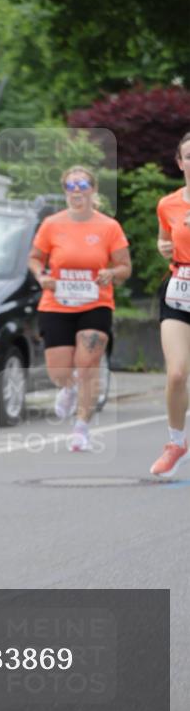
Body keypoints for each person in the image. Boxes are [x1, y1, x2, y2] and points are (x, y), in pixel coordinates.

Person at [29, 166, 131, 452]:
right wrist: (41, 276)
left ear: (93, 190)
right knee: (58, 369)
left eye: (83, 185)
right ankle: (67, 387)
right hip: (57, 302)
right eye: (71, 186)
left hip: (95, 303)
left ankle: (81, 428)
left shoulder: (109, 227)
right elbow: (35, 259)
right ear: (65, 192)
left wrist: (112, 274)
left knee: (88, 364)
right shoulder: (51, 224)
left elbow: (125, 267)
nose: (77, 190)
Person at [150, 131, 190, 478]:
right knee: (177, 373)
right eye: (189, 156)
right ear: (180, 163)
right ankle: (176, 442)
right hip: (179, 288)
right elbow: (165, 239)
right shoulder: (169, 203)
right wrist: (164, 247)